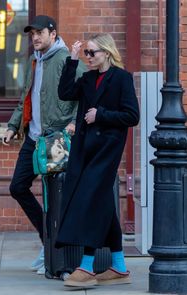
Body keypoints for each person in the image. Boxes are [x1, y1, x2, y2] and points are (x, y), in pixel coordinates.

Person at [2, 15, 86, 275]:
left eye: (40, 33)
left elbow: (85, 95)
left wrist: (73, 123)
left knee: (54, 197)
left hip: (55, 138)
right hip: (33, 138)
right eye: (32, 34)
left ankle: (54, 253)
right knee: (18, 186)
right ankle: (46, 239)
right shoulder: (34, 61)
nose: (35, 37)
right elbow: (25, 96)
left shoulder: (65, 59)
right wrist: (13, 125)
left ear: (53, 33)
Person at [55, 33, 140, 287]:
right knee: (102, 204)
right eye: (86, 53)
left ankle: (87, 265)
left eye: (92, 53)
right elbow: (64, 93)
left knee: (91, 200)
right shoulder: (87, 78)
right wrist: (71, 60)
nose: (88, 58)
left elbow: (131, 116)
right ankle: (120, 267)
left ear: (107, 52)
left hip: (107, 150)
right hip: (85, 148)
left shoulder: (122, 78)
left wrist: (100, 114)